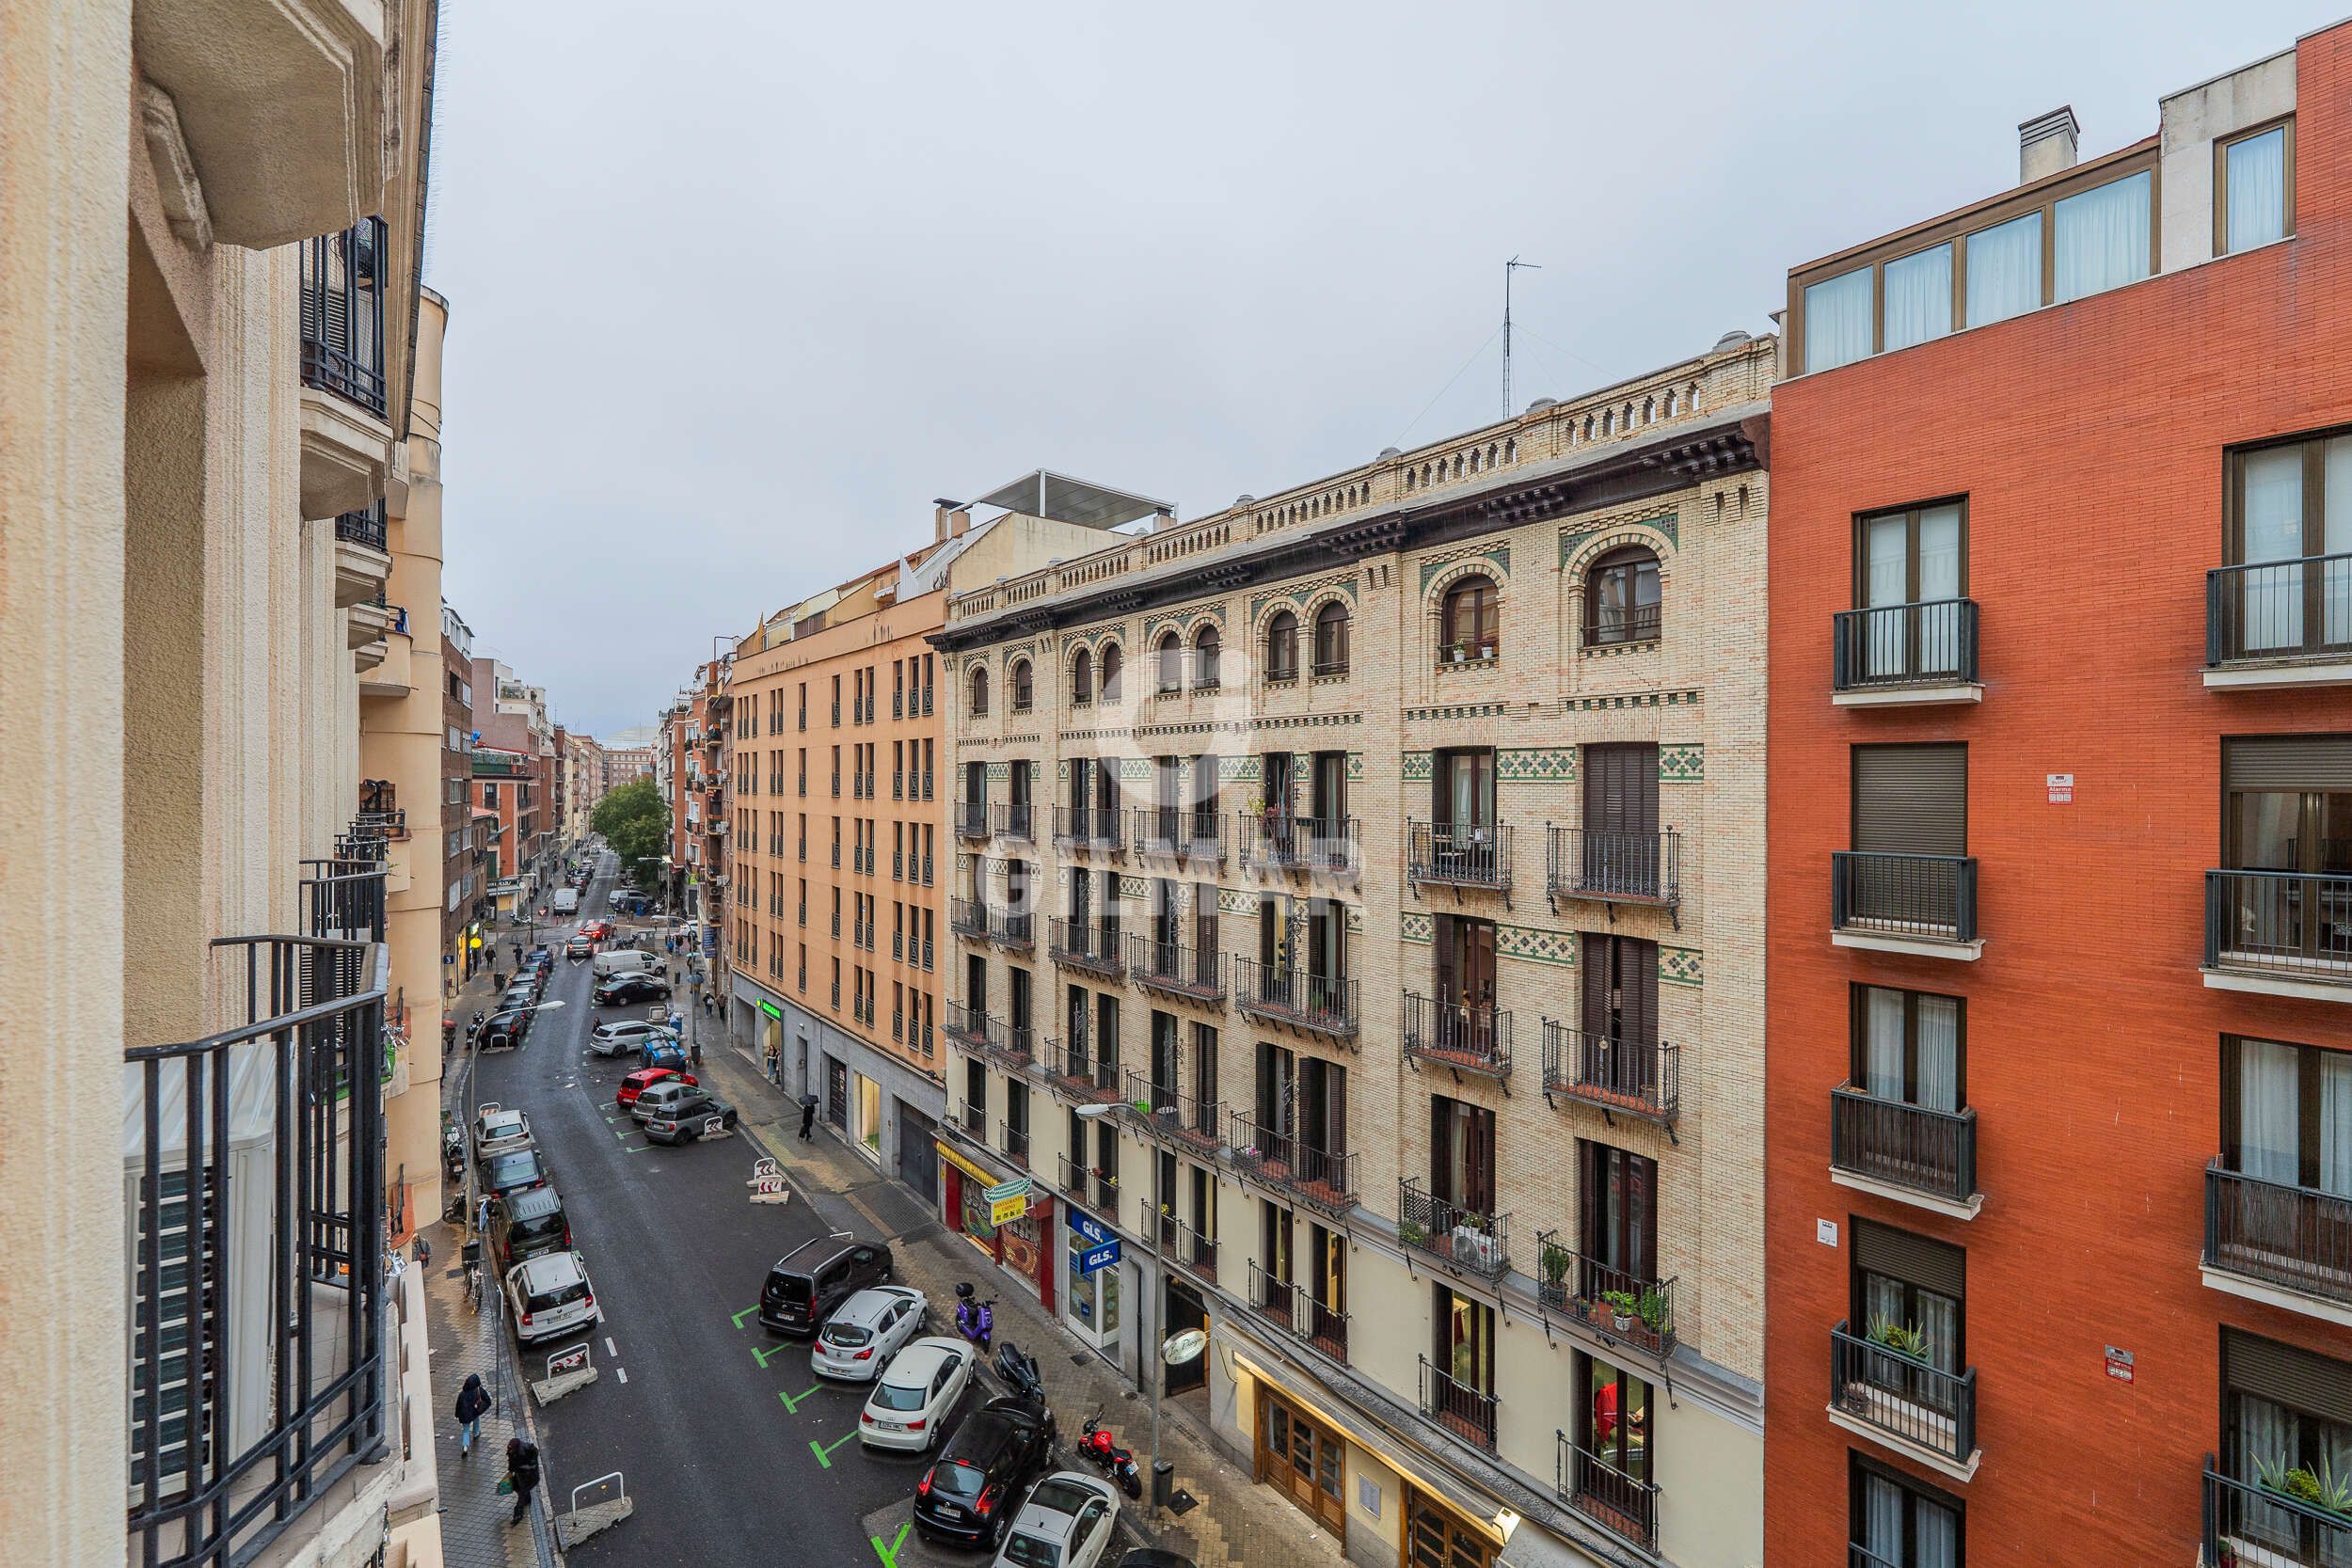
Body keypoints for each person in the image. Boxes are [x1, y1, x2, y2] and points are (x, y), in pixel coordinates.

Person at [504, 1436, 540, 1525]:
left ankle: (518, 1513)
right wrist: (511, 1470)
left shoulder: (527, 1448)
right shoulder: (513, 1451)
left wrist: (530, 1464)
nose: (510, 1450)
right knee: (518, 1488)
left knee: (522, 1492)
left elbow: (534, 1458)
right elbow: (511, 1462)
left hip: (530, 1476)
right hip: (520, 1475)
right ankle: (527, 1499)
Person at [453, 1373, 489, 1459]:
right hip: (474, 1412)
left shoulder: (462, 1394)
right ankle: (476, 1433)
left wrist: (457, 1414)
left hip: (464, 1415)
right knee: (476, 1420)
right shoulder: (478, 1391)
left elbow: (458, 1405)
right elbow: (487, 1400)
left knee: (465, 1430)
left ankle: (465, 1446)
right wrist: (480, 1409)